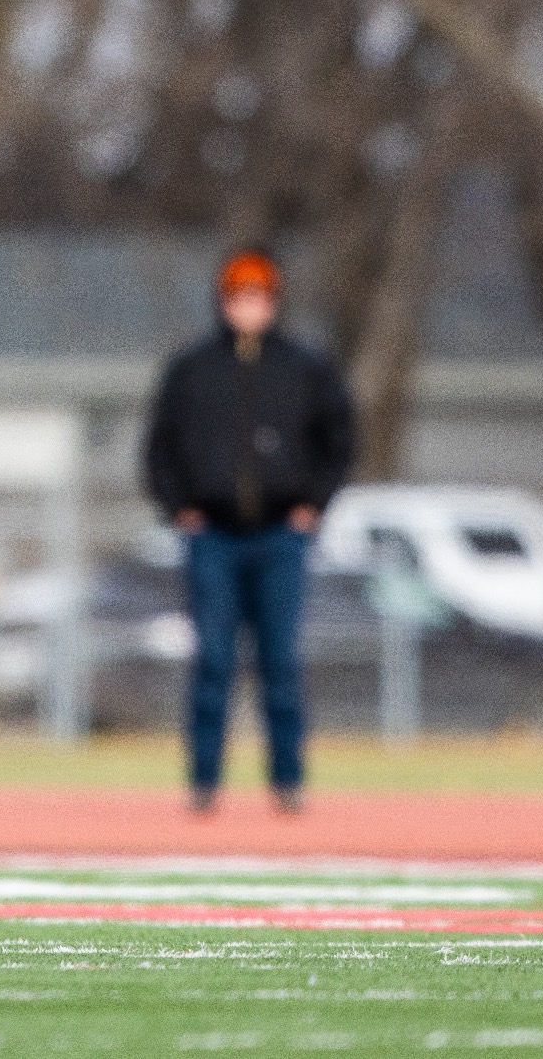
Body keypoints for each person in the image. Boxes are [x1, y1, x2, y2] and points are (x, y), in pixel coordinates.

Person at [142, 250, 356, 814]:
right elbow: (159, 446)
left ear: (274, 301)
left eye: (259, 296)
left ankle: (287, 782)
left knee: (280, 661)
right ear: (223, 300)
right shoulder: (192, 367)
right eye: (239, 296)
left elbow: (340, 439)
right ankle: (203, 782)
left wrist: (314, 502)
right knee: (212, 658)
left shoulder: (304, 366)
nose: (248, 307)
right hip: (212, 535)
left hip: (281, 536)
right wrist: (178, 505)